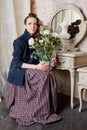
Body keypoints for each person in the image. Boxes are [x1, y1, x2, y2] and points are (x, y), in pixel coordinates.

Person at [3, 13, 61, 126]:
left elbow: (41, 57)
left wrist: (51, 60)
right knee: (44, 76)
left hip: (32, 67)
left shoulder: (39, 39)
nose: (32, 26)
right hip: (20, 70)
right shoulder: (19, 41)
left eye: (35, 24)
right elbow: (17, 63)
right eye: (29, 23)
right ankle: (34, 108)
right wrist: (37, 67)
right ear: (25, 25)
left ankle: (45, 108)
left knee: (49, 74)